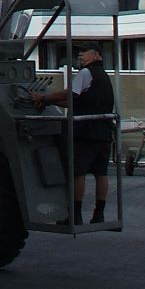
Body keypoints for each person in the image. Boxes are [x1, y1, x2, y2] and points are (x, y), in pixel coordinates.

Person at [32, 42, 114, 223]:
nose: (80, 55)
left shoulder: (86, 73)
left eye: (84, 52)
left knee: (78, 173)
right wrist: (49, 102)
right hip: (104, 130)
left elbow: (69, 93)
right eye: (79, 52)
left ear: (96, 55)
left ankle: (75, 215)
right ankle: (99, 214)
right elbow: (76, 102)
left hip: (84, 131)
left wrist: (43, 97)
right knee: (101, 173)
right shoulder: (103, 76)